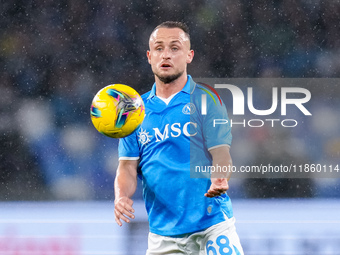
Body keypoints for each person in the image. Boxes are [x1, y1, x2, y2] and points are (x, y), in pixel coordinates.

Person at [114, 21, 244, 255]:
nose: (166, 54)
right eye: (159, 48)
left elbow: (221, 153)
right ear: (149, 56)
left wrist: (220, 178)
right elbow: (127, 167)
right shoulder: (134, 112)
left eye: (175, 48)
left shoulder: (206, 100)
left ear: (189, 55)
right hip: (164, 237)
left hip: (212, 227)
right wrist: (121, 196)